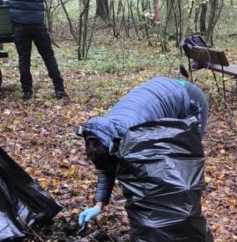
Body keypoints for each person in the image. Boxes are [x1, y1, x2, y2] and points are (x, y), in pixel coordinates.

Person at [77, 76, 209, 228]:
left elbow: (152, 171)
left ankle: (185, 220)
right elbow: (107, 167)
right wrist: (98, 205)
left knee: (185, 159)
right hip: (162, 92)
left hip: (190, 100)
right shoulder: (103, 133)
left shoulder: (134, 133)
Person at [3, 0, 67, 100]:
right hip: (37, 23)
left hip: (19, 24)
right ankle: (59, 89)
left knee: (24, 58)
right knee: (48, 56)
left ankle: (27, 91)